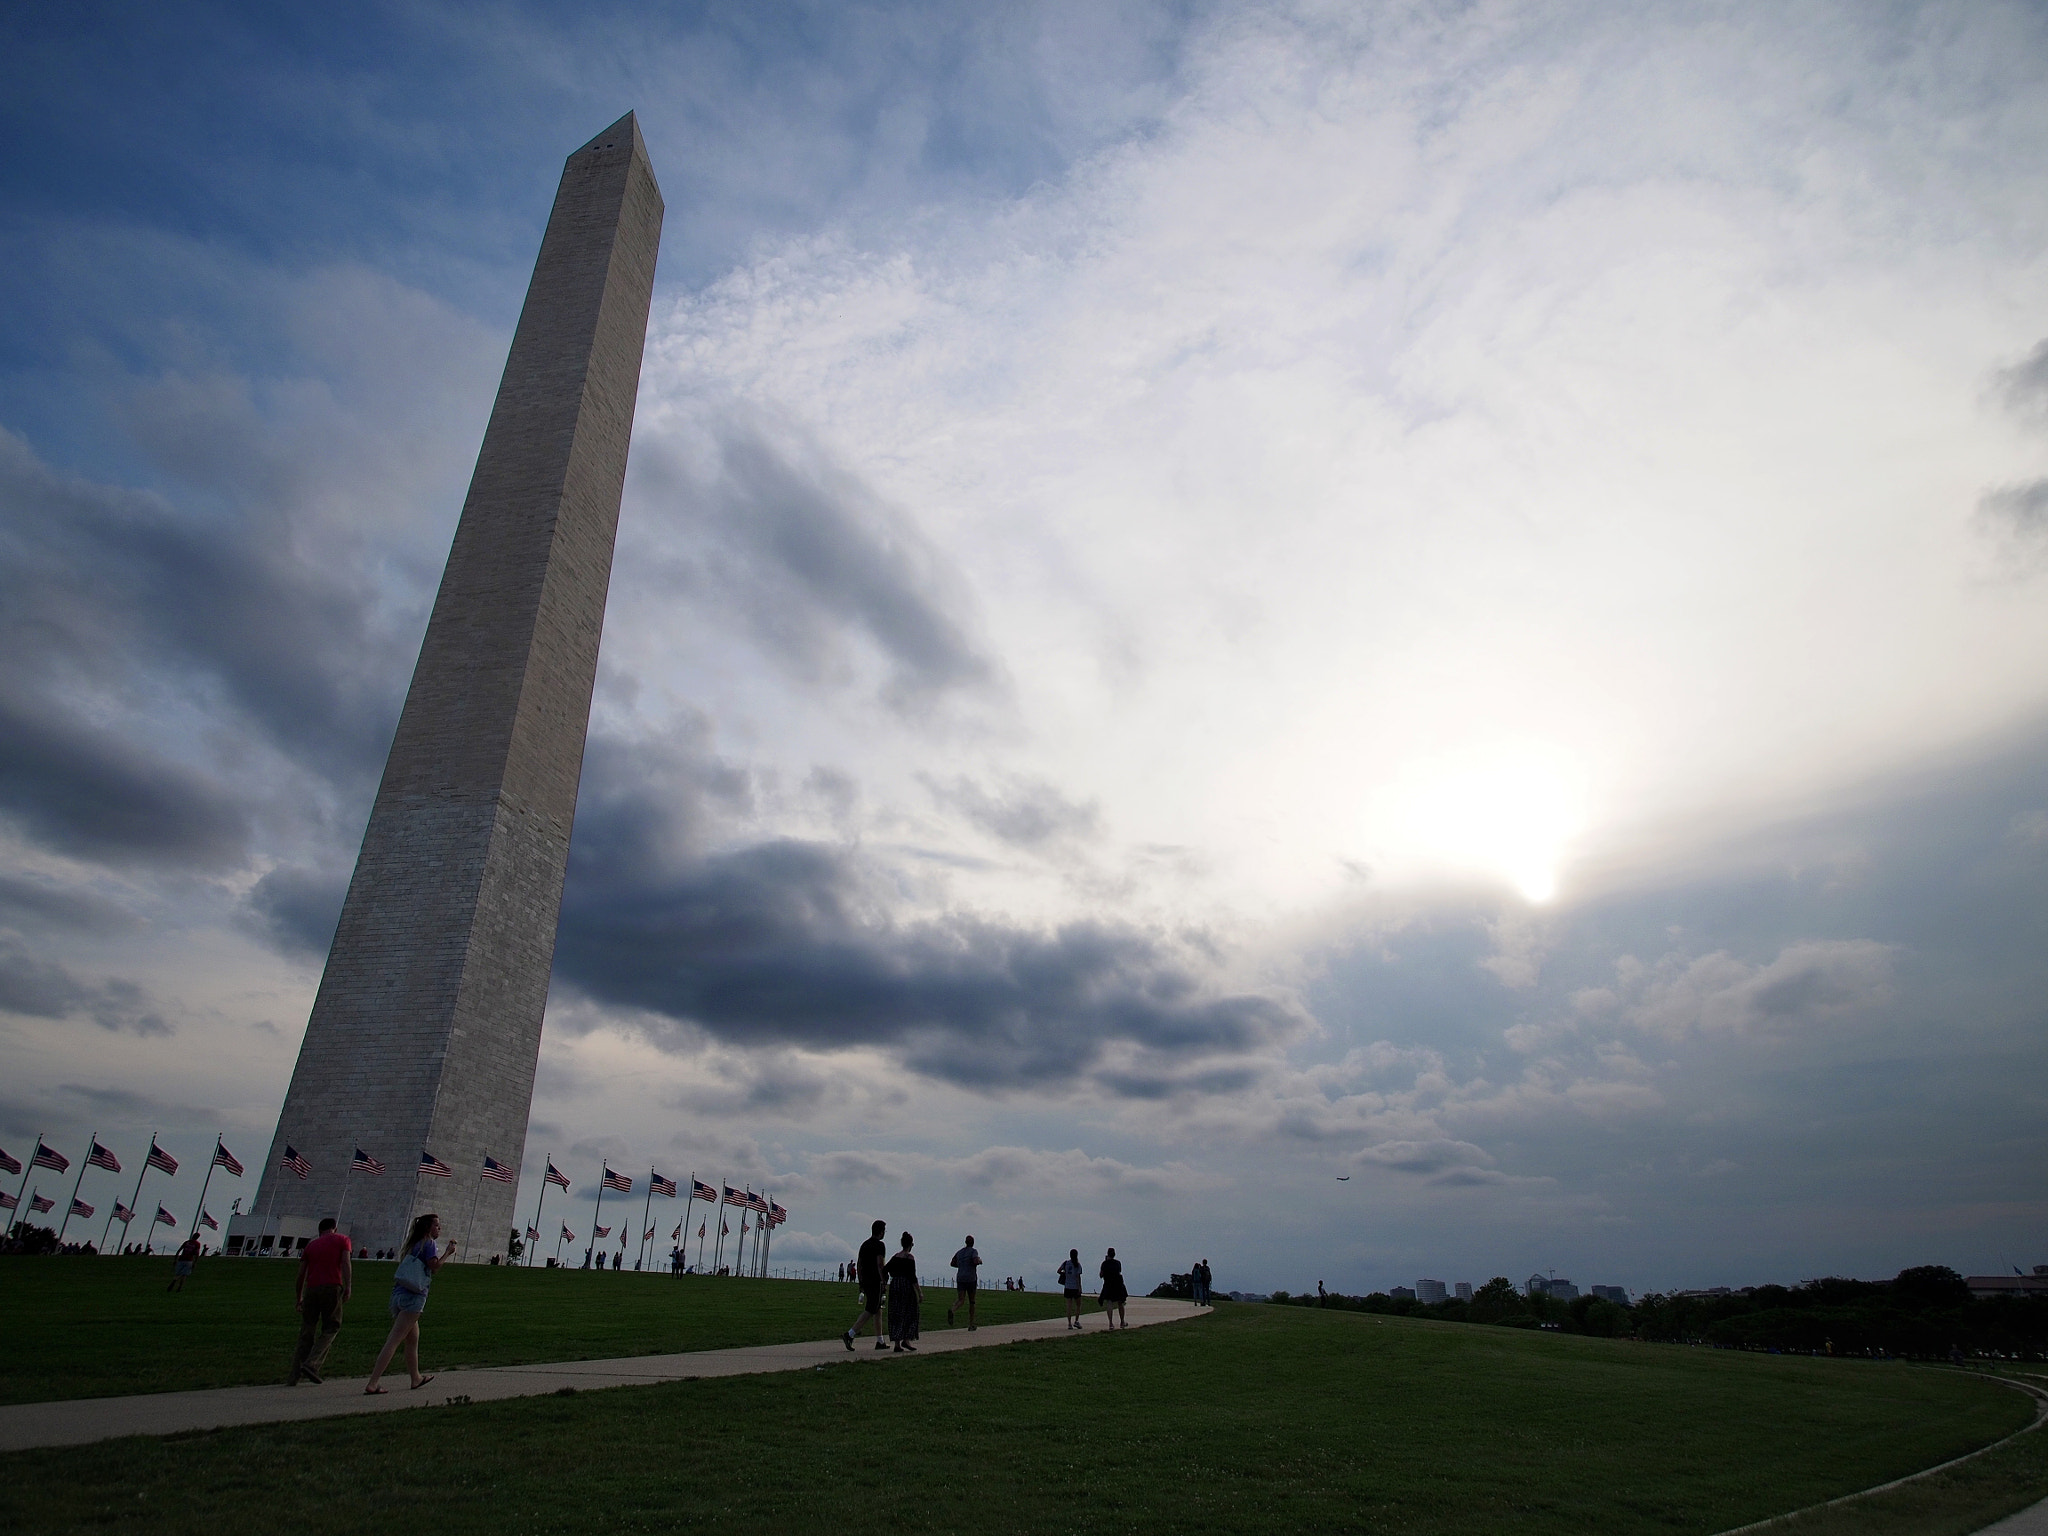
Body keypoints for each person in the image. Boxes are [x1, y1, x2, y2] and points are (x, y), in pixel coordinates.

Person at [364, 1213, 454, 1394]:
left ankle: (416, 1378)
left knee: (412, 1339)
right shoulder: (428, 1244)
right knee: (394, 1340)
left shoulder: (413, 1244)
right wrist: (448, 1253)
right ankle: (373, 1383)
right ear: (429, 1228)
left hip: (398, 1294)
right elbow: (434, 1267)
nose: (439, 1228)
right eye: (437, 1225)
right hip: (414, 1297)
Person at [288, 1217, 353, 1385]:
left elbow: (301, 1274)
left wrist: (299, 1297)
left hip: (311, 1289)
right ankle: (312, 1364)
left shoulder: (311, 1245)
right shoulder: (342, 1239)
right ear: (335, 1228)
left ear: (320, 1230)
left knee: (307, 1330)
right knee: (332, 1327)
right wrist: (348, 1286)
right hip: (332, 1287)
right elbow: (346, 1262)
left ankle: (294, 1376)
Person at [843, 1219, 890, 1351]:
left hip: (866, 1280)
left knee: (878, 1310)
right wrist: (884, 1280)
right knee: (871, 1309)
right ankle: (850, 1334)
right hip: (876, 1281)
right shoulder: (880, 1246)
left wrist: (861, 1281)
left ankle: (880, 1341)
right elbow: (880, 1264)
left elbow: (859, 1263)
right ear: (881, 1232)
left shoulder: (865, 1245)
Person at [886, 1231, 921, 1352]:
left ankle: (897, 1343)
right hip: (906, 1287)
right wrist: (920, 1292)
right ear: (911, 1244)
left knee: (896, 1313)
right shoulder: (909, 1258)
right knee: (910, 1312)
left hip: (895, 1285)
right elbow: (912, 1277)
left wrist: (883, 1282)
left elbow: (885, 1269)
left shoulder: (895, 1257)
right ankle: (906, 1339)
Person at [947, 1234, 983, 1329]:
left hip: (960, 1278)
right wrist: (979, 1261)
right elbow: (975, 1261)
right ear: (973, 1243)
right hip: (971, 1278)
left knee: (961, 1299)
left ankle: (953, 1310)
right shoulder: (973, 1251)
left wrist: (962, 1266)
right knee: (972, 1302)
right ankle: (971, 1324)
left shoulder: (960, 1252)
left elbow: (952, 1263)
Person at [1099, 1247, 1128, 1329]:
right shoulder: (1118, 1263)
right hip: (1118, 1284)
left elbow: (1101, 1275)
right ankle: (1122, 1322)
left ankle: (1111, 1323)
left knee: (1109, 1303)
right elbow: (1119, 1271)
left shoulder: (1104, 1264)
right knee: (1120, 1303)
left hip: (1108, 1285)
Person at [1058, 1249, 1085, 1329]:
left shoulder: (1066, 1263)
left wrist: (1064, 1274)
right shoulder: (1077, 1265)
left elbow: (1058, 1270)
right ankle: (1076, 1321)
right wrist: (1080, 1287)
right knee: (1078, 1305)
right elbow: (1078, 1277)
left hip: (1067, 1287)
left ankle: (1069, 1323)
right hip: (1075, 1287)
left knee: (1069, 1306)